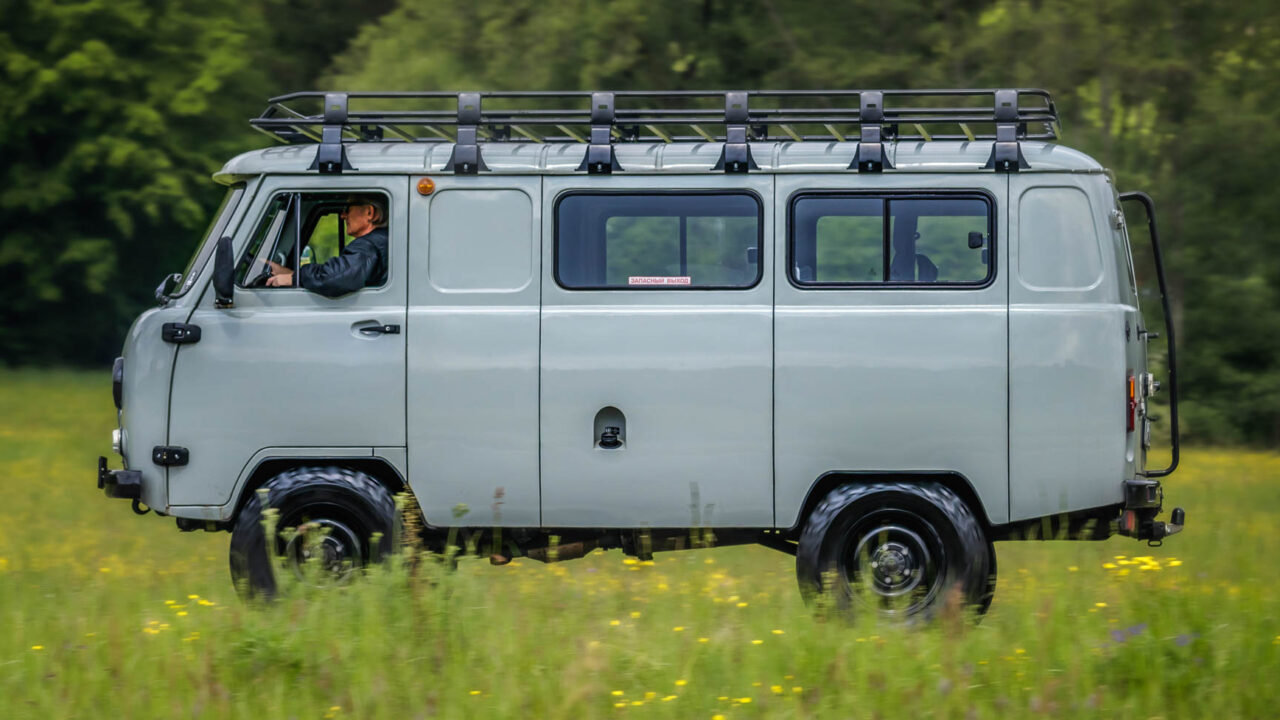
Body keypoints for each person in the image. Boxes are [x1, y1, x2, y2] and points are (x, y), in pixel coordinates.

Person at [266, 195, 388, 297]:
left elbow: (336, 278)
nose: (343, 216)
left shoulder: (369, 245)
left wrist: (295, 279)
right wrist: (293, 274)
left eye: (347, 209)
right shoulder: (382, 241)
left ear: (370, 212)